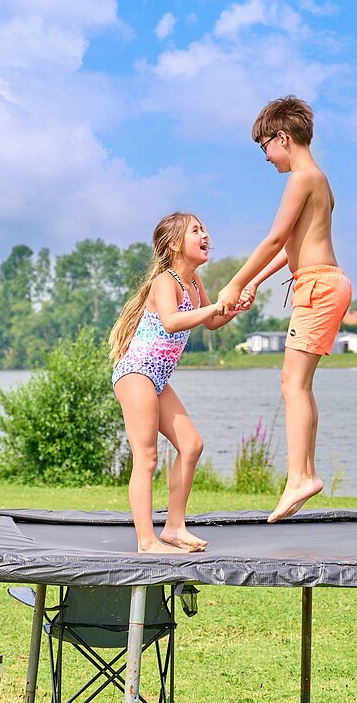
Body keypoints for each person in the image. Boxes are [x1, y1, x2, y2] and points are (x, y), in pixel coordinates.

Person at [214, 95, 351, 523]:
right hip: (321, 283)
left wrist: (234, 282)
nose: (265, 157)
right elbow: (293, 246)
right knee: (298, 384)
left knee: (292, 384)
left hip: (317, 287)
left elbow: (274, 239)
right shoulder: (320, 180)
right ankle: (304, 473)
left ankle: (299, 477)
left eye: (264, 147)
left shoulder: (301, 178)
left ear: (282, 137)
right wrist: (254, 282)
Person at [109, 212, 241, 553]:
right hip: (137, 372)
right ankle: (146, 541)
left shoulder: (194, 283)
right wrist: (216, 308)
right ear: (174, 244)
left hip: (157, 378)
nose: (205, 234)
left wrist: (232, 309)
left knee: (192, 445)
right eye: (196, 230)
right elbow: (170, 322)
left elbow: (211, 322)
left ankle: (174, 528)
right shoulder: (165, 282)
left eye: (205, 229)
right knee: (147, 457)